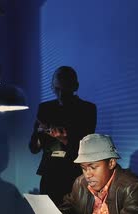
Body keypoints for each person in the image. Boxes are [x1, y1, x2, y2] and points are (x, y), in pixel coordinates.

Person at [29, 66, 97, 206]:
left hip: (74, 173)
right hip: (49, 173)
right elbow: (33, 148)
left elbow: (87, 145)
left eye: (64, 90)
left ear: (75, 87)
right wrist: (38, 133)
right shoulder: (45, 108)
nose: (60, 95)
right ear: (52, 87)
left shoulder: (87, 109)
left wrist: (63, 138)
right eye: (57, 89)